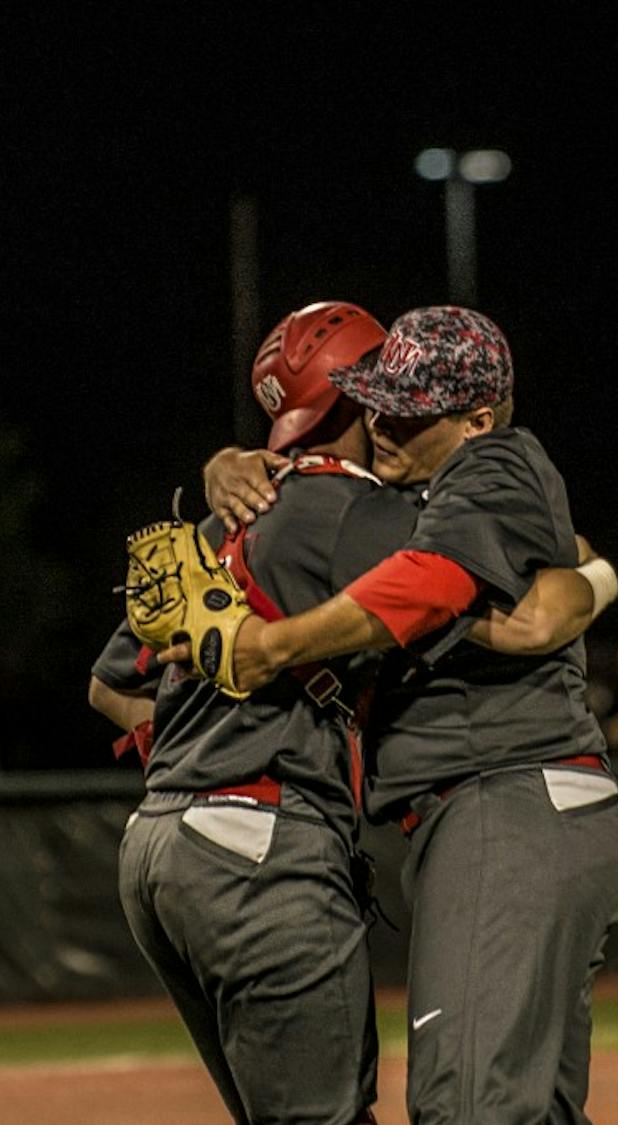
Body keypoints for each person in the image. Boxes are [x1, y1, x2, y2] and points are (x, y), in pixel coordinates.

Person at [165, 305, 618, 1123]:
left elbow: (474, 598)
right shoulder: (427, 492)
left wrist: (270, 649)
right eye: (377, 398)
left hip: (507, 795)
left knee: (465, 1105)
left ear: (477, 419)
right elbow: (554, 584)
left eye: (409, 410)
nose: (381, 421)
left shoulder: (492, 465)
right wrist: (222, 468)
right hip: (522, 805)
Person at [88, 300, 411, 1125]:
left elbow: (109, 683)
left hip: (160, 844)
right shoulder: (356, 511)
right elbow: (495, 570)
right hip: (259, 840)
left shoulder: (222, 514)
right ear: (357, 399)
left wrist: (205, 737)